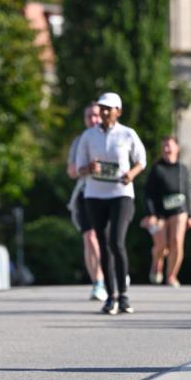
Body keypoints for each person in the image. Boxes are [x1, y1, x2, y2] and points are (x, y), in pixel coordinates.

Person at [75, 92, 146, 314]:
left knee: (117, 241)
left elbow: (141, 160)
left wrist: (131, 175)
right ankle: (110, 295)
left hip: (121, 194)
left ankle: (123, 295)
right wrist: (90, 169)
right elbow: (79, 168)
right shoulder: (88, 136)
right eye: (102, 108)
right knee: (103, 246)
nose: (104, 112)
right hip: (95, 195)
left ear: (118, 111)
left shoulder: (127, 134)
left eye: (109, 108)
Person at [141, 135, 191, 287]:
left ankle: (171, 276)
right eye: (164, 146)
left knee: (177, 242)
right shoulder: (157, 169)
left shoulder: (183, 169)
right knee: (161, 245)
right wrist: (151, 214)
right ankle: (156, 263)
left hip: (179, 210)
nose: (166, 149)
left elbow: (187, 192)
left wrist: (189, 215)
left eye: (169, 146)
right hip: (160, 213)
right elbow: (148, 194)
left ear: (177, 148)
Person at [67, 103, 107, 301]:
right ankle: (97, 282)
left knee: (108, 239)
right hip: (86, 193)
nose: (93, 119)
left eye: (96, 115)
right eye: (89, 116)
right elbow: (72, 171)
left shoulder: (113, 136)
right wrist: (87, 168)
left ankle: (112, 274)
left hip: (110, 193)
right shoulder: (79, 141)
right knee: (90, 237)